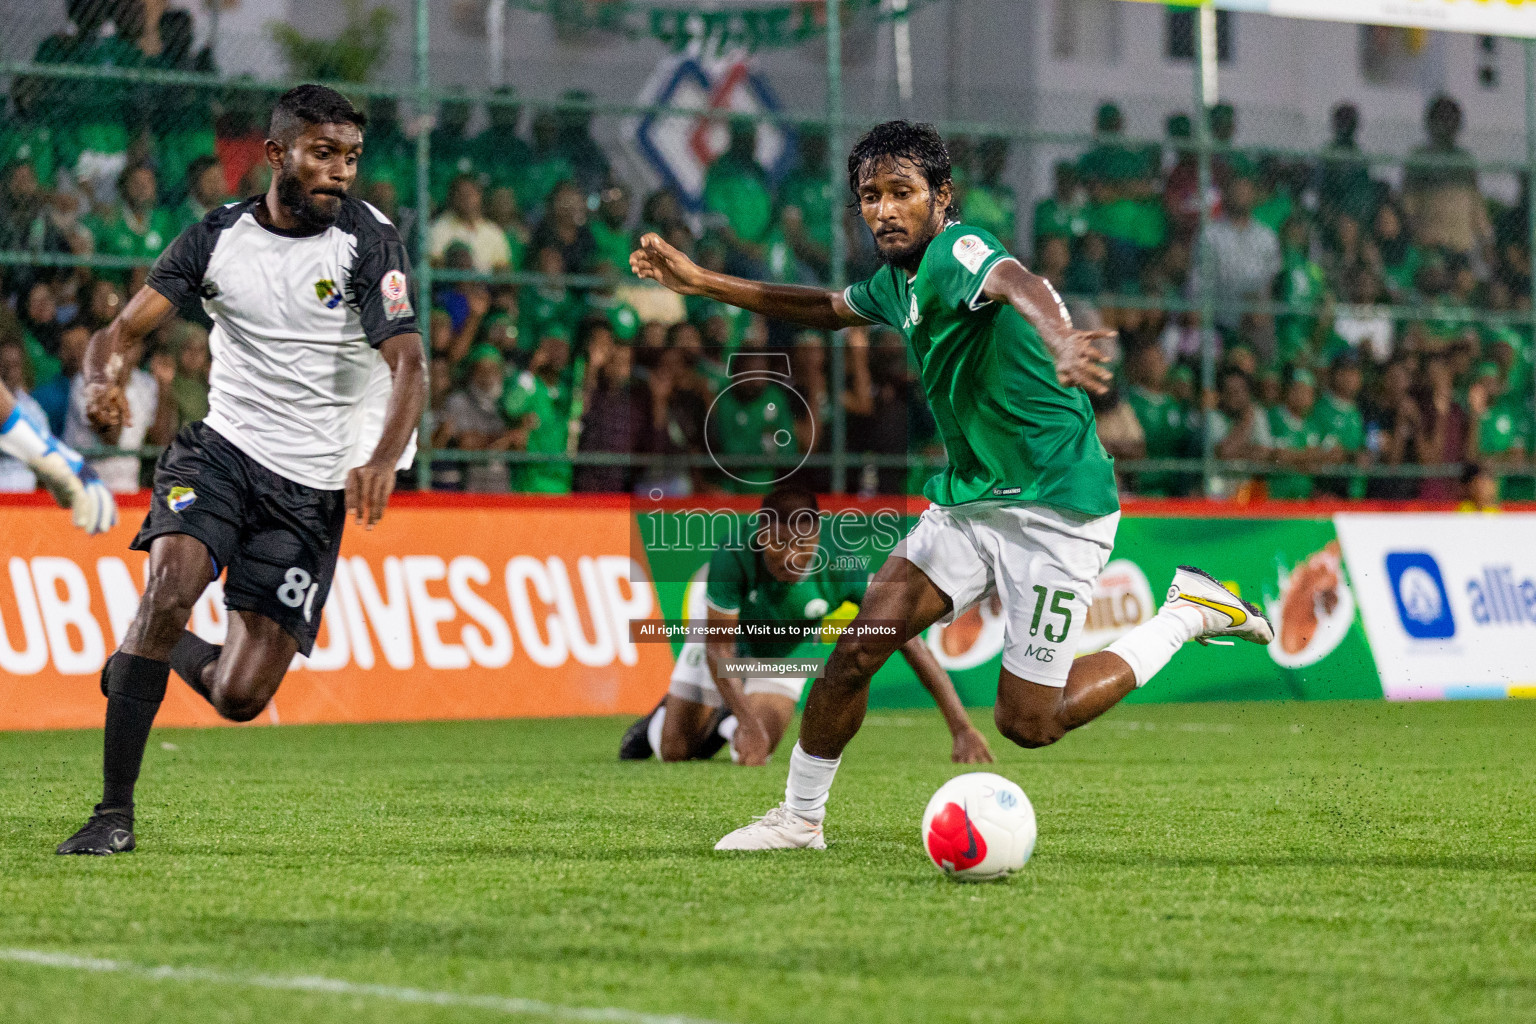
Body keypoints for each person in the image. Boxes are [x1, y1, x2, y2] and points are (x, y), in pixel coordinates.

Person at [629, 120, 1273, 851]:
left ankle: (1187, 614)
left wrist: (1060, 335)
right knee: (858, 648)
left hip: (1057, 506)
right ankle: (799, 820)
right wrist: (701, 281)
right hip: (968, 503)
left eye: (901, 191)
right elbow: (824, 309)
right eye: (869, 196)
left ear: (942, 196)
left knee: (1030, 723)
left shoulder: (956, 250)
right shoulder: (894, 282)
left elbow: (1013, 279)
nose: (882, 209)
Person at [54, 84, 427, 856]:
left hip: (313, 486)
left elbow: (410, 363)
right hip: (221, 453)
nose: (340, 173)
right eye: (323, 154)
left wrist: (383, 457)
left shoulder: (368, 241)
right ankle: (112, 813)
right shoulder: (215, 239)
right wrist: (102, 382)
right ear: (276, 153)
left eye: (351, 158)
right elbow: (119, 333)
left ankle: (136, 658)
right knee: (169, 590)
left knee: (239, 695)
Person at [618, 487, 994, 767]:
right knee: (676, 752)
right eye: (780, 543)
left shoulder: (839, 564)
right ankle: (668, 717)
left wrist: (961, 727)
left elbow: (907, 641)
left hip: (785, 654)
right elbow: (720, 649)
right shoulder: (733, 553)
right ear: (762, 535)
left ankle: (726, 719)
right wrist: (746, 720)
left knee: (756, 747)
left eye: (804, 544)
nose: (792, 556)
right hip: (725, 644)